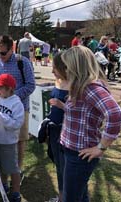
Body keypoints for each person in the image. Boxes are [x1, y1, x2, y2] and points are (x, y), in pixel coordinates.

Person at [60, 45, 121, 202]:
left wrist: (101, 147)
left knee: (72, 198)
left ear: (76, 67)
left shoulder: (90, 88)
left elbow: (115, 114)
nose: (65, 70)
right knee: (80, 196)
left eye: (67, 66)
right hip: (73, 151)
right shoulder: (80, 87)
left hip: (80, 154)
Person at [0, 35, 35, 184]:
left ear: (12, 49)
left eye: (4, 53)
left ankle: (17, 170)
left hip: (20, 108)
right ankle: (2, 172)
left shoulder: (23, 62)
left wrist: (12, 97)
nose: (0, 56)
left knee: (19, 140)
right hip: (0, 109)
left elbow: (30, 85)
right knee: (0, 139)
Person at [0, 73, 24, 202]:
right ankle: (3, 186)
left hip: (8, 142)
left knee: (12, 168)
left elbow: (16, 124)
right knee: (0, 166)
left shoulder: (16, 103)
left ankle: (16, 192)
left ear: (9, 88)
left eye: (0, 87)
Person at [47, 52, 69, 202]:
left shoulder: (74, 86)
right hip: (54, 130)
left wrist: (62, 106)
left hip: (66, 133)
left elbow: (79, 112)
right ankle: (61, 196)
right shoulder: (57, 82)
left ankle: (67, 197)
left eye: (55, 68)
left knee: (66, 168)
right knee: (58, 165)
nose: (52, 71)